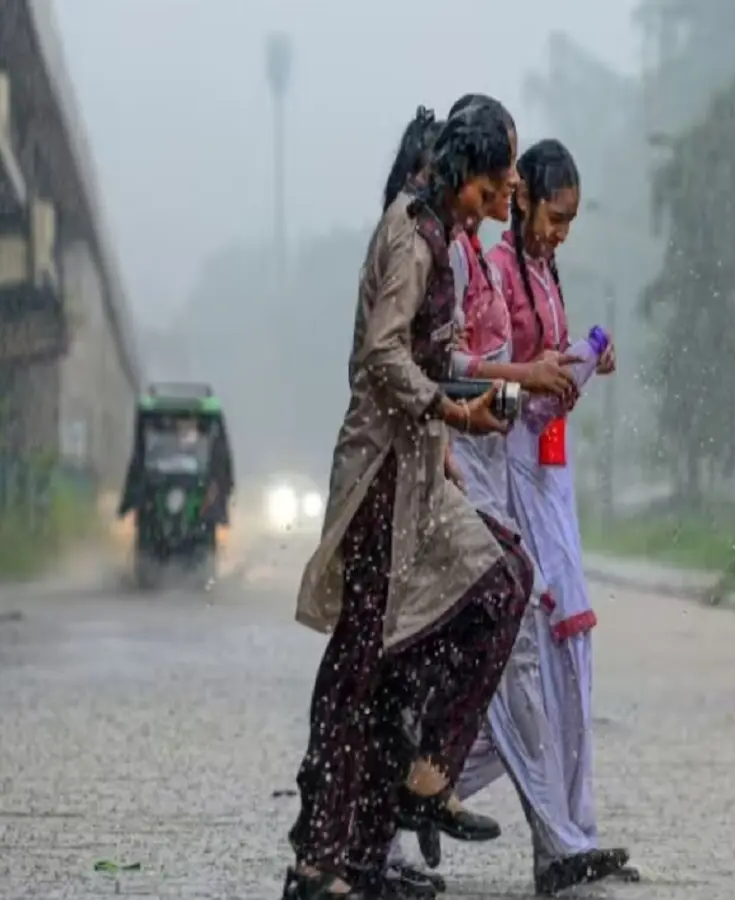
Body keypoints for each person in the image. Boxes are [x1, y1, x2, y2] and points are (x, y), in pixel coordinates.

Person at [283, 103, 533, 900]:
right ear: (462, 173)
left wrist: (464, 412)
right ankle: (321, 862)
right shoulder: (411, 235)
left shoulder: (444, 237)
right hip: (379, 478)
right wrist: (452, 412)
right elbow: (383, 356)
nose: (498, 200)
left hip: (423, 472)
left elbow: (427, 356)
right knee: (360, 666)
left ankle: (419, 783)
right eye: (493, 185)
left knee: (500, 583)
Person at [486, 138, 638, 888]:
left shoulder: (546, 272)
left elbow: (545, 366)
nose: (560, 233)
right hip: (508, 469)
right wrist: (537, 376)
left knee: (571, 653)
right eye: (554, 216)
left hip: (552, 472)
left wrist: (584, 358)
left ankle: (576, 828)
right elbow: (480, 377)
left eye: (571, 221)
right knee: (525, 661)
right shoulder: (492, 271)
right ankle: (553, 836)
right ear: (520, 200)